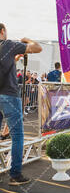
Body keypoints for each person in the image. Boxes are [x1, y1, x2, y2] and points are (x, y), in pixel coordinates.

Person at [0, 24, 42, 184]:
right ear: (2, 31)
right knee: (17, 136)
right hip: (9, 96)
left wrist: (15, 58)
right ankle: (15, 175)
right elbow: (37, 48)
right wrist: (26, 40)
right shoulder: (8, 44)